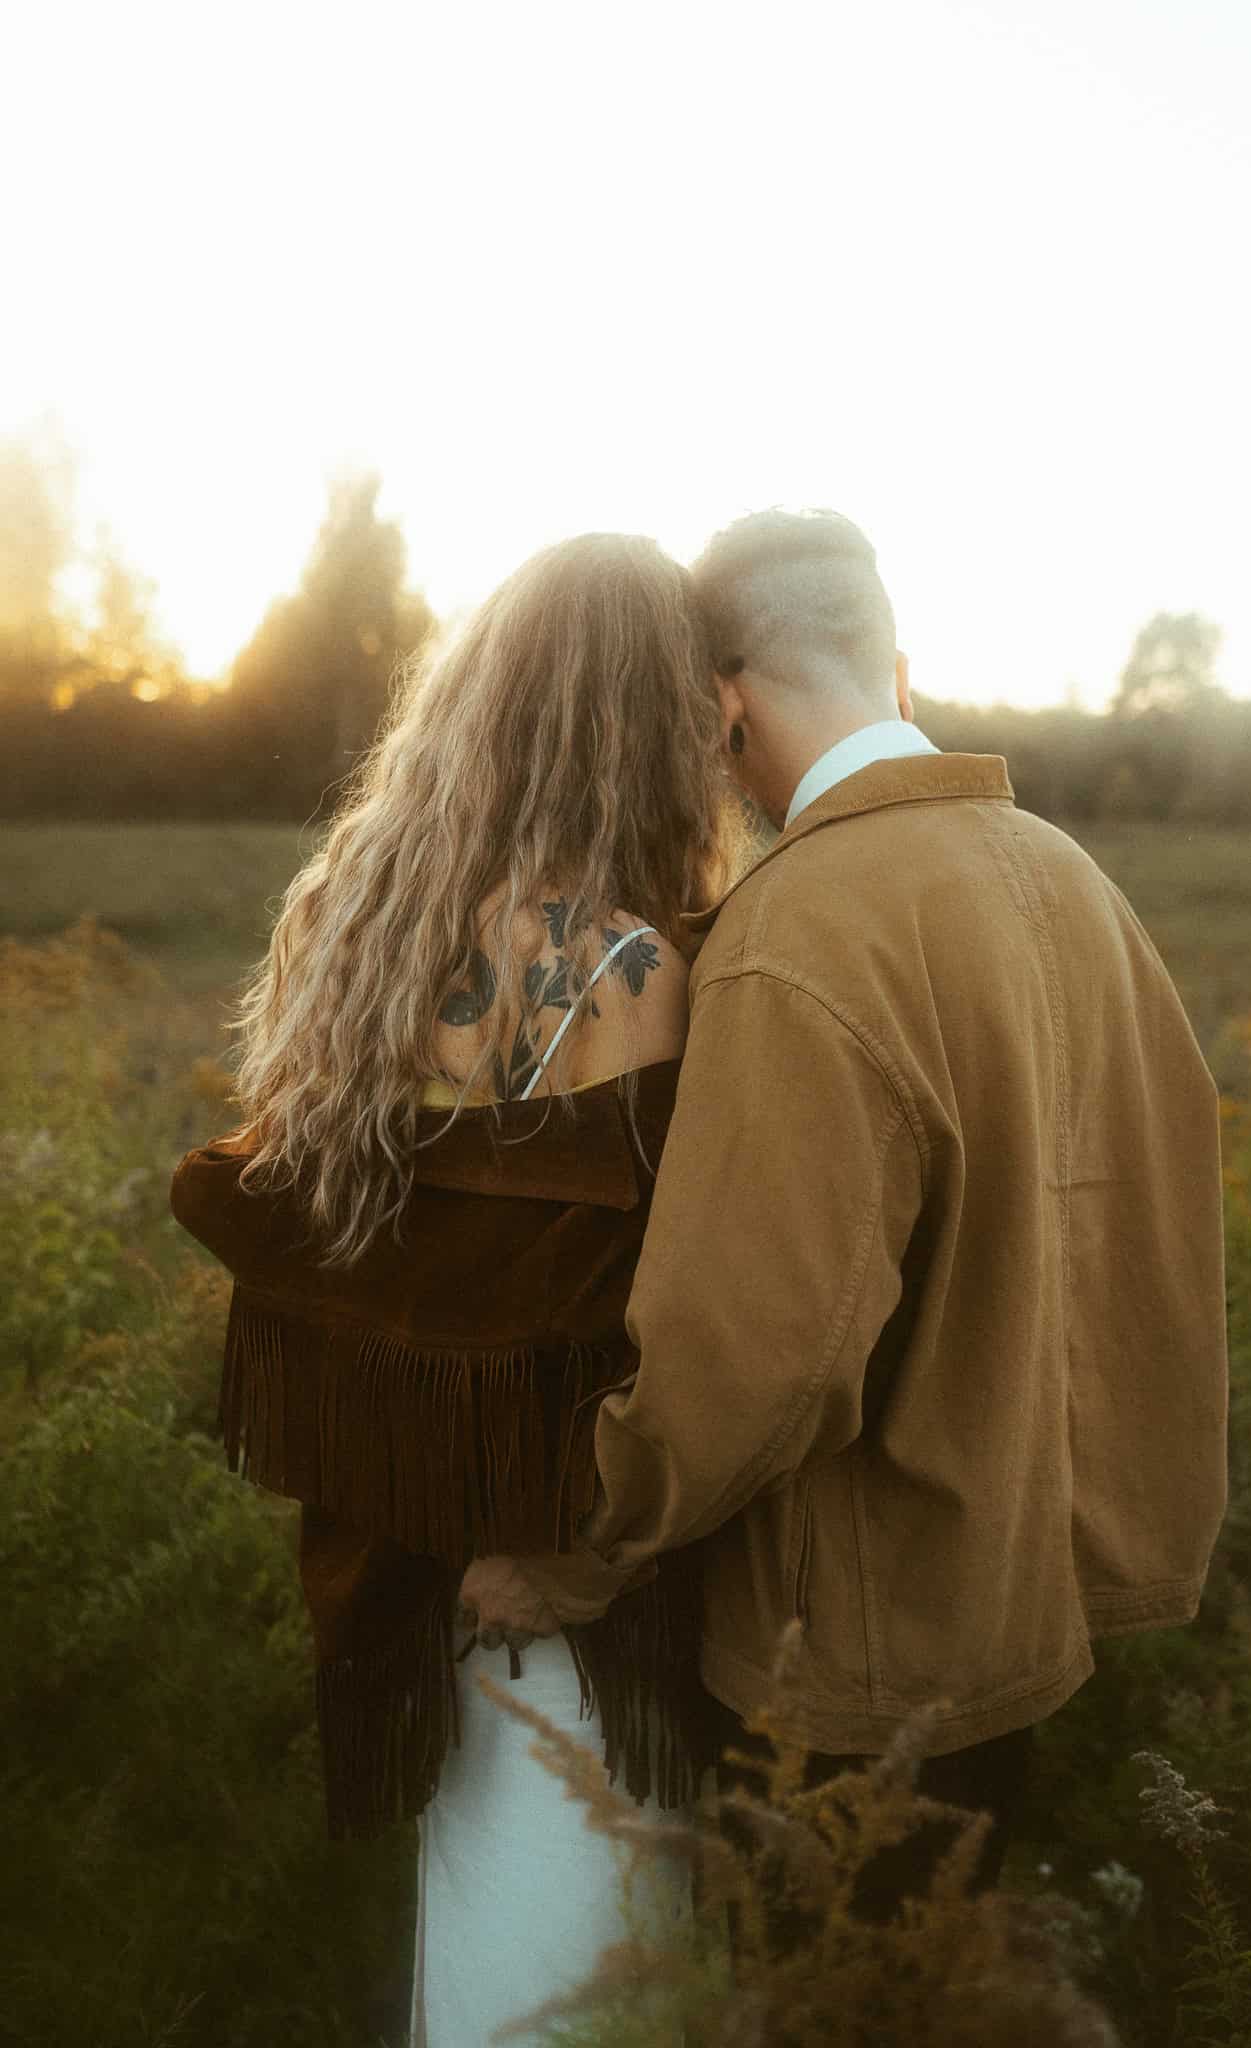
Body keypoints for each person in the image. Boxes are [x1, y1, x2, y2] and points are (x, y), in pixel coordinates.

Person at [463, 506, 1230, 1955]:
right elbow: (1154, 1233)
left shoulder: (797, 932)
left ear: (722, 707)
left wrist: (573, 1555)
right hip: (1018, 1616)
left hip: (843, 1666)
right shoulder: (1074, 883)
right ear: (897, 667)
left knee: (816, 2007)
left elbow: (758, 1357)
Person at [169, 531, 751, 2048]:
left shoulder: (349, 920)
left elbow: (355, 1264)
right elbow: (628, 1309)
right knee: (584, 1965)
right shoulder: (630, 968)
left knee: (488, 1929)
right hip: (565, 1559)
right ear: (648, 721)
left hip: (403, 1543)